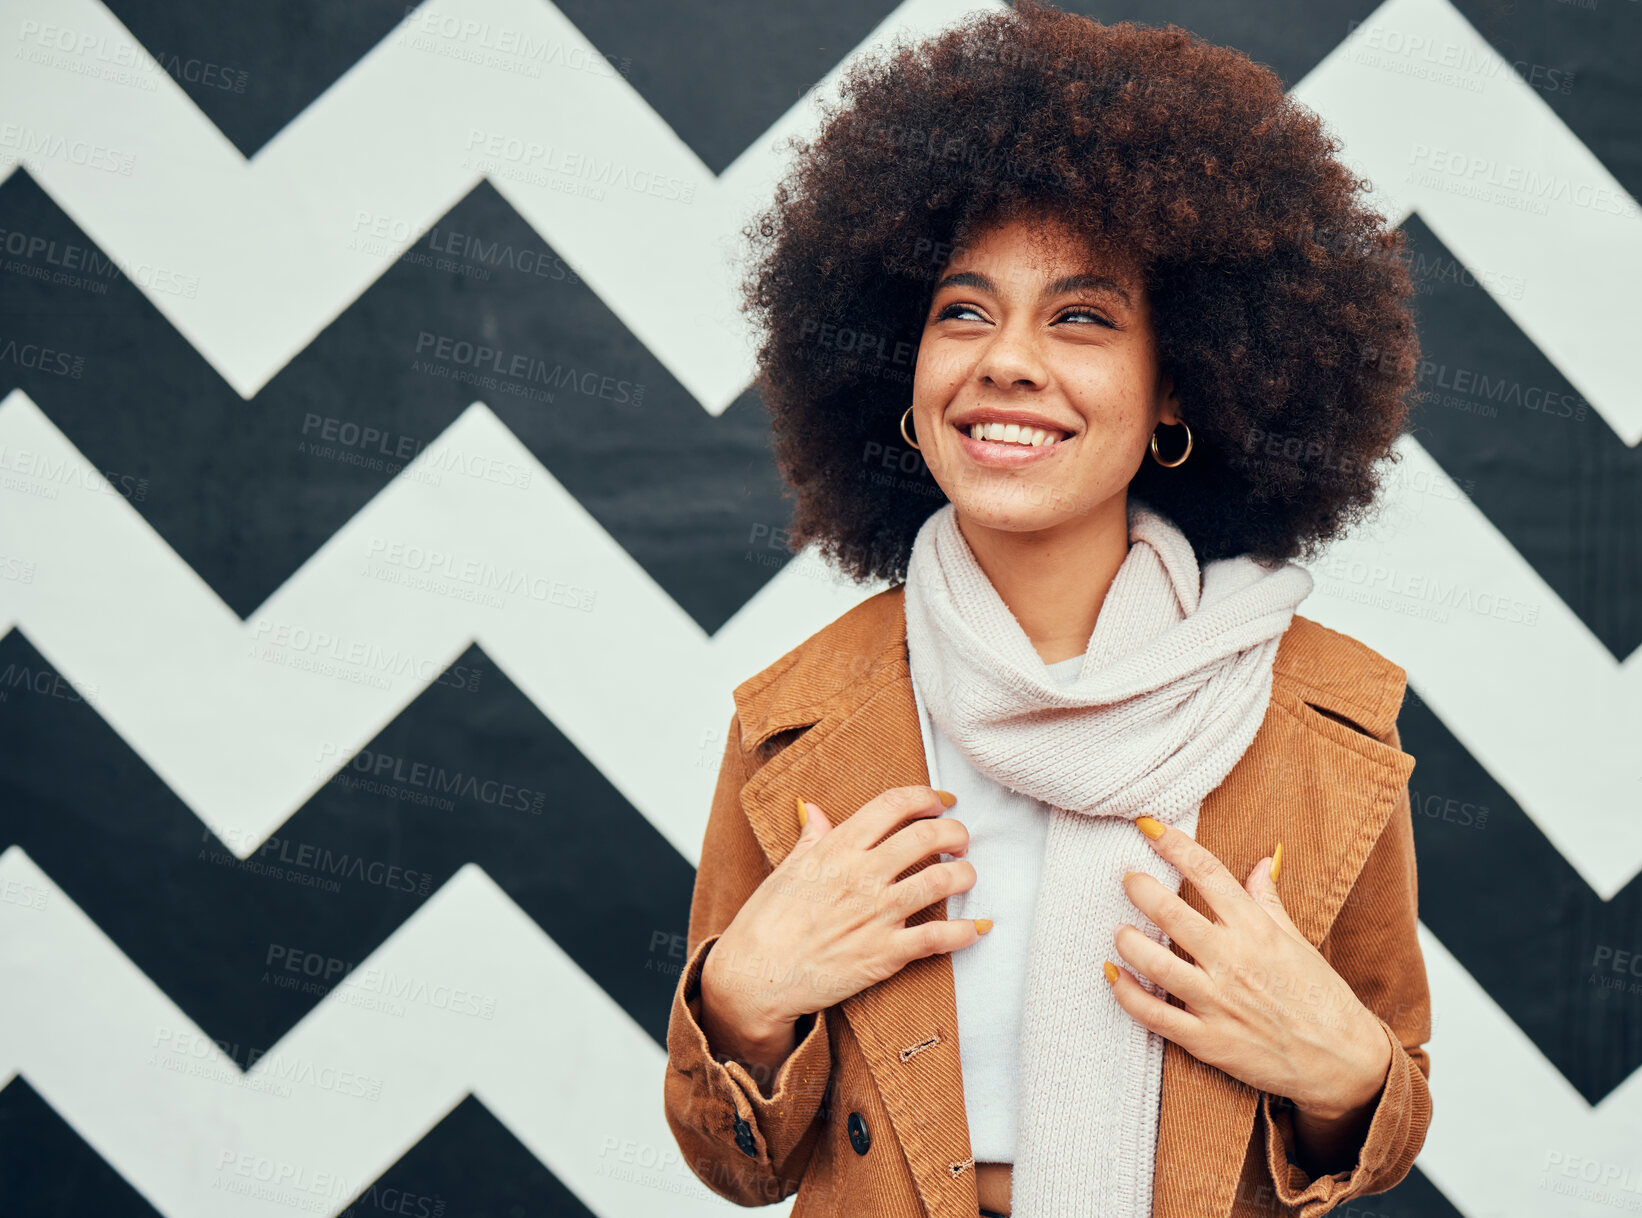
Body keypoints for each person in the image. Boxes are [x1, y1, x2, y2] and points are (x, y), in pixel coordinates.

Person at [664, 3, 1431, 1215]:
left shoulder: (1321, 717)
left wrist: (1338, 1073)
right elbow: (734, 1162)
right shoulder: (800, 719)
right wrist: (743, 1000)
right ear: (899, 385)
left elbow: (1374, 1118)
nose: (1006, 360)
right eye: (962, 311)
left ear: (1176, 388)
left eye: (1080, 316)